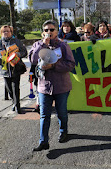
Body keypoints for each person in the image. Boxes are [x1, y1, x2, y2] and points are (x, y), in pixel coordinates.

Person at [29, 20, 76, 151]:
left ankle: (63, 131)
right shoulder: (37, 45)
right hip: (44, 87)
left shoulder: (63, 46)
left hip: (61, 86)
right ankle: (43, 141)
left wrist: (54, 66)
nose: (49, 32)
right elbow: (32, 60)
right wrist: (43, 45)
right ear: (42, 32)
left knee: (62, 113)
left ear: (56, 31)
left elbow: (71, 64)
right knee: (44, 115)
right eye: (46, 30)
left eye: (52, 30)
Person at [0, 25, 27, 114]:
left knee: (16, 88)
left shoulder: (17, 42)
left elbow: (24, 52)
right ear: (1, 33)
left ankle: (18, 106)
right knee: (10, 90)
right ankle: (14, 102)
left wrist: (18, 54)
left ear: (11, 32)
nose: (6, 33)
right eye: (4, 31)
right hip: (4, 70)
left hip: (16, 68)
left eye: (8, 31)